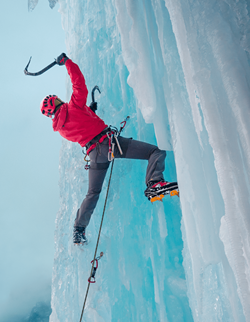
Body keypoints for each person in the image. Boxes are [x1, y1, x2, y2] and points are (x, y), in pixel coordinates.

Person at [41, 53, 178, 245]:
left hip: (95, 155)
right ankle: (155, 183)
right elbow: (79, 83)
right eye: (56, 100)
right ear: (55, 102)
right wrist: (67, 63)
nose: (59, 100)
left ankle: (78, 230)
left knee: (93, 193)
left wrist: (90, 110)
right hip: (109, 144)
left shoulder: (61, 130)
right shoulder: (72, 107)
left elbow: (82, 128)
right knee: (155, 152)